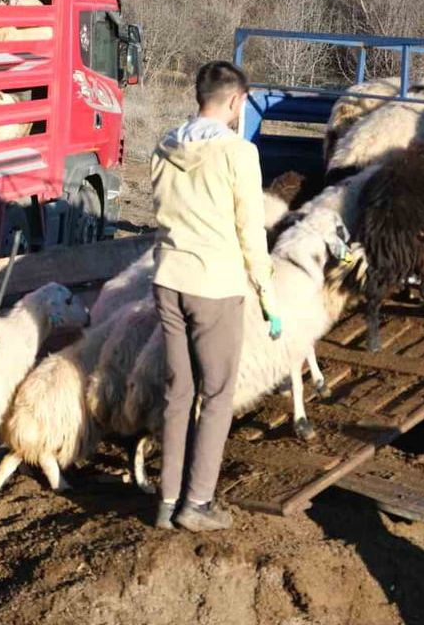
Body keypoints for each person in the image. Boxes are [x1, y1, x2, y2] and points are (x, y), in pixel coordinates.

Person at [148, 60, 280, 532]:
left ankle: (166, 501)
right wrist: (267, 294)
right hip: (215, 286)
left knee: (177, 393)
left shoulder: (164, 145)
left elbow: (159, 207)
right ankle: (198, 503)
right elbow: (250, 231)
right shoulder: (239, 154)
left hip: (168, 279)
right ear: (235, 101)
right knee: (218, 395)